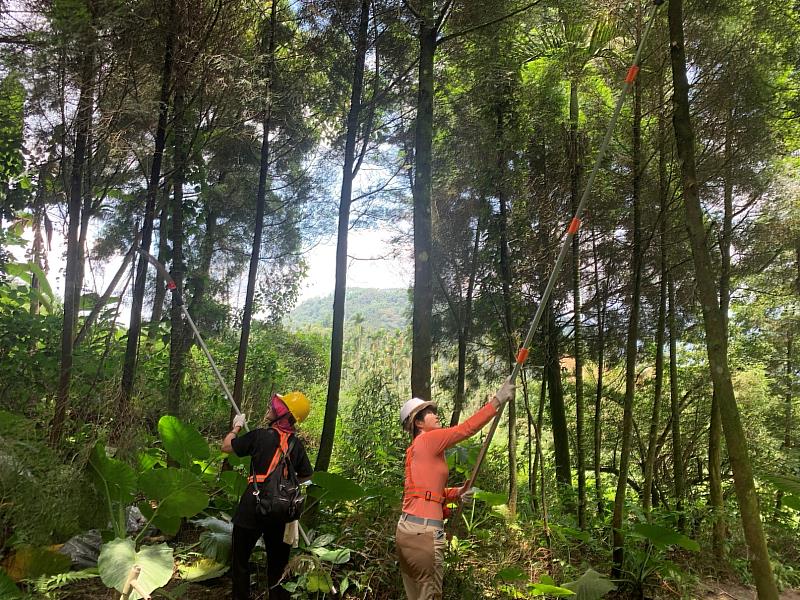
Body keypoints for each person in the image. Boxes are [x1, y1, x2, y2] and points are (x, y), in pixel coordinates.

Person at [395, 377, 516, 600]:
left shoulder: (417, 449)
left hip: (407, 531)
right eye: (430, 412)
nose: (436, 414)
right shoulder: (428, 440)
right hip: (423, 534)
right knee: (430, 595)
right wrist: (497, 401)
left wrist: (457, 493)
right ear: (418, 423)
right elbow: (466, 429)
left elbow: (428, 493)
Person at [221, 391, 313, 600]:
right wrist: (285, 484)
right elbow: (307, 474)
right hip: (280, 511)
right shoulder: (296, 445)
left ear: (283, 414)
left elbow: (226, 446)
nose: (270, 409)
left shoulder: (260, 436)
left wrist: (236, 426)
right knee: (278, 568)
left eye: (275, 407)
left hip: (252, 505)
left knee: (240, 561)